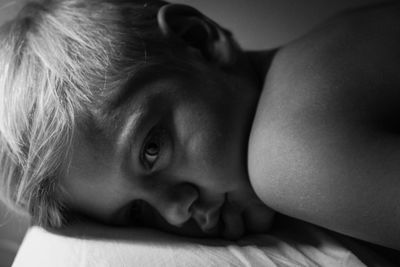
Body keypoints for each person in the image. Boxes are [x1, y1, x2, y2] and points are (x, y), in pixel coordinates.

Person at [0, 0, 399, 250]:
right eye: (137, 213)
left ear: (198, 39)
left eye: (152, 150)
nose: (175, 212)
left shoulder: (283, 152)